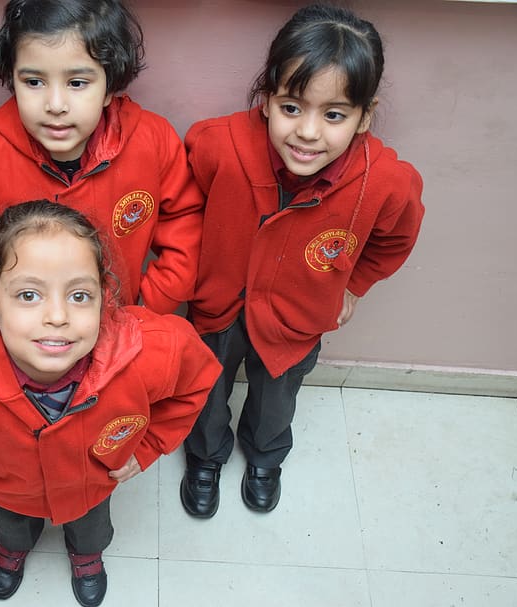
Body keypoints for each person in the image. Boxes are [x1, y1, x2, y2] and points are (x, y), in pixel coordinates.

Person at [0, 200, 221, 606]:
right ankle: (14, 549)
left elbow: (197, 380)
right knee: (12, 527)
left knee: (91, 528)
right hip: (6, 491)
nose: (57, 315)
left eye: (79, 295)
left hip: (92, 486)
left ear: (104, 300)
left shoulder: (150, 353)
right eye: (28, 294)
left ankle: (86, 556)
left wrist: (147, 448)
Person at [179, 4, 425, 518]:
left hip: (297, 318)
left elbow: (395, 238)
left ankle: (266, 458)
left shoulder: (386, 183)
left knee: (276, 401)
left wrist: (355, 284)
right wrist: (185, 270)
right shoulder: (216, 144)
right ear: (266, 100)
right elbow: (180, 205)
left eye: (333, 114)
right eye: (292, 107)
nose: (308, 133)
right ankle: (205, 456)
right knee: (204, 387)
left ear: (365, 116)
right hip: (216, 307)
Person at [0, 0, 204, 318]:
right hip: (14, 334)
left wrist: (153, 303)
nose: (55, 104)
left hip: (115, 326)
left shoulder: (152, 142)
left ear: (109, 87)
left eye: (76, 83)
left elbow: (184, 220)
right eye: (34, 82)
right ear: (12, 79)